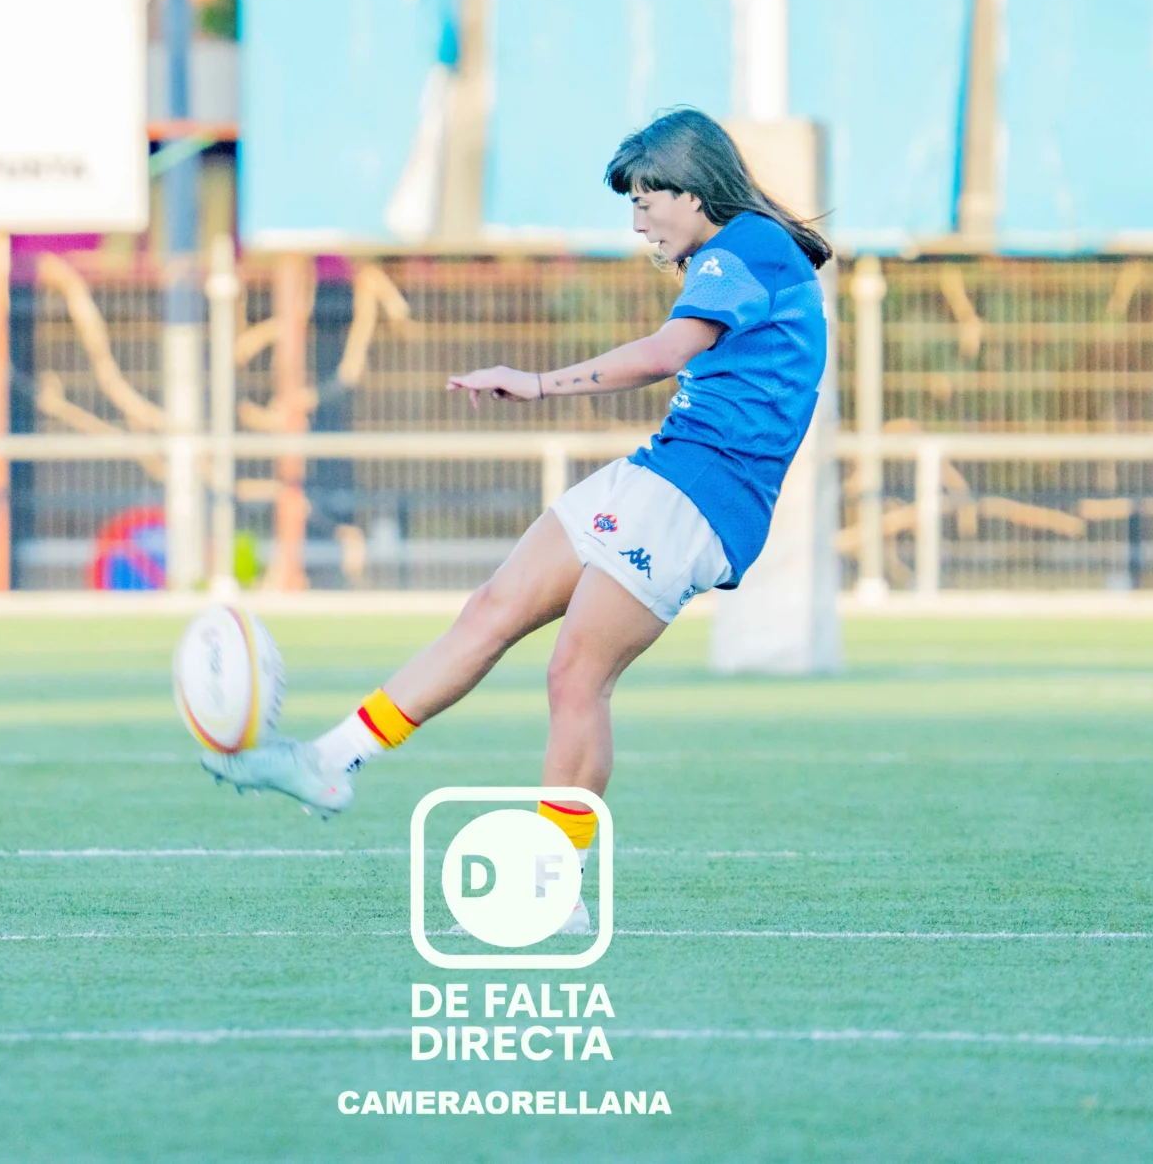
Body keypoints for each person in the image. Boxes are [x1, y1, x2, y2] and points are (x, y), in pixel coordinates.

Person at [203, 108, 830, 931]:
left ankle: (551, 884)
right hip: (659, 469)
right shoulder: (732, 253)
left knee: (576, 675)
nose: (638, 219)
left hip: (699, 498)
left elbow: (661, 355)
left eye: (649, 198)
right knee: (490, 609)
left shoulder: (746, 246)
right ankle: (331, 760)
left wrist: (535, 383)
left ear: (696, 188)